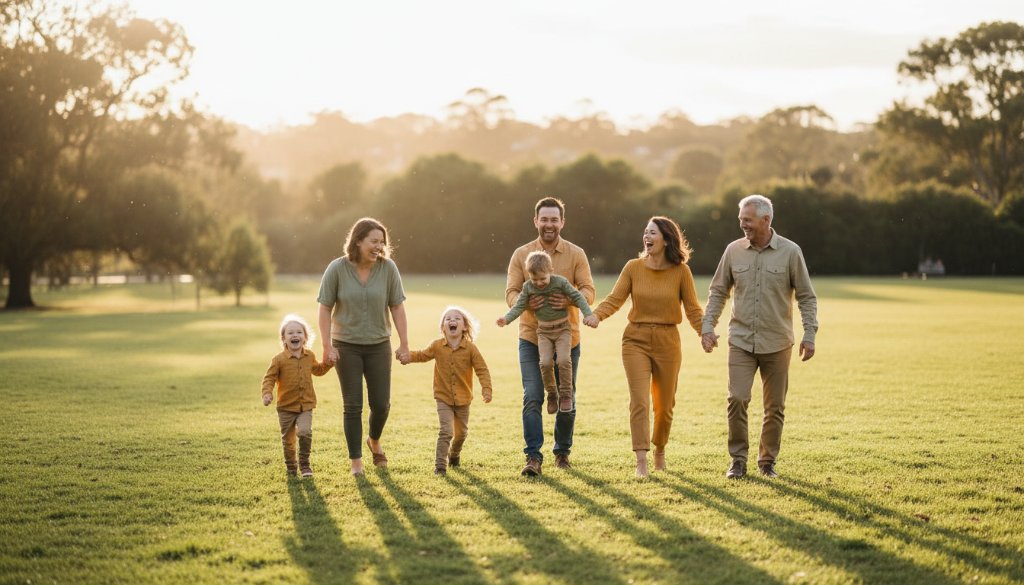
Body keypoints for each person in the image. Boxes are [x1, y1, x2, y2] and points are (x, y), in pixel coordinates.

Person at [701, 194, 818, 480]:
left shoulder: (790, 252)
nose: (743, 225)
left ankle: (767, 462)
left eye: (748, 220)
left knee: (774, 407)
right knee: (737, 398)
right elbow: (718, 291)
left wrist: (810, 333)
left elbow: (806, 296)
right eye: (741, 219)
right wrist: (707, 326)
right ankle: (737, 461)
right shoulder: (733, 251)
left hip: (777, 342)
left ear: (766, 220)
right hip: (740, 340)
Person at [591, 217, 704, 478]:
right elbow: (615, 299)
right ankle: (641, 460)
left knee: (664, 405)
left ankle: (660, 449)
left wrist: (704, 333)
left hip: (668, 341)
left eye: (652, 233)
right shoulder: (633, 267)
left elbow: (693, 309)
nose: (647, 237)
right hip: (635, 340)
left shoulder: (681, 272)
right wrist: (597, 315)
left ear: (666, 238)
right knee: (639, 401)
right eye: (645, 232)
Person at [505, 197, 595, 476]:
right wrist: (522, 302)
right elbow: (510, 292)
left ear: (562, 222)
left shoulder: (576, 254)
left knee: (567, 395)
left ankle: (562, 452)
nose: (549, 224)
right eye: (544, 219)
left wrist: (568, 302)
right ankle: (533, 457)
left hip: (568, 337)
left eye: (554, 219)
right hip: (532, 337)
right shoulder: (521, 254)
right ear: (535, 221)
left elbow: (588, 291)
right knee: (533, 396)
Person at [317, 217, 410, 477]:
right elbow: (324, 308)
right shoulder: (336, 269)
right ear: (357, 241)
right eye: (373, 241)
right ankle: (356, 463)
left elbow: (397, 307)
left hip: (379, 345)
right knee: (353, 405)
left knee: (381, 404)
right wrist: (326, 346)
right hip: (346, 346)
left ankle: (374, 440)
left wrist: (404, 343)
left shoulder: (388, 268)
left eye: (382, 242)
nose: (379, 246)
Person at [498, 251, 599, 413]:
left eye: (542, 279)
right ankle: (552, 393)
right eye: (534, 279)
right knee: (545, 363)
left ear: (551, 271)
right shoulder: (528, 287)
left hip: (563, 330)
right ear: (529, 275)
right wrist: (506, 319)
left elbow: (579, 296)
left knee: (564, 360)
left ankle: (565, 395)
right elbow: (519, 306)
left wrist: (589, 314)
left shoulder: (561, 283)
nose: (539, 283)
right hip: (543, 332)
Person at [402, 306, 493, 476]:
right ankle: (440, 467)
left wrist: (486, 389)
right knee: (446, 431)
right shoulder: (437, 346)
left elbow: (482, 369)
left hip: (464, 398)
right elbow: (422, 355)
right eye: (448, 318)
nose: (452, 320)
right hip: (443, 397)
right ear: (443, 327)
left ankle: (455, 454)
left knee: (461, 434)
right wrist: (408, 356)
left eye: (457, 319)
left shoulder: (471, 349)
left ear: (465, 326)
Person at [261, 314, 333, 478]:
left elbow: (319, 370)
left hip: (305, 405)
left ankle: (305, 464)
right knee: (288, 440)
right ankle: (291, 467)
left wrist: (329, 363)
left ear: (305, 337)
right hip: (285, 406)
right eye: (290, 333)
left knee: (305, 432)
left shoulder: (310, 357)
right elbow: (269, 378)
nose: (295, 335)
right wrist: (267, 393)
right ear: (284, 339)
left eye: (299, 332)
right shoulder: (279, 360)